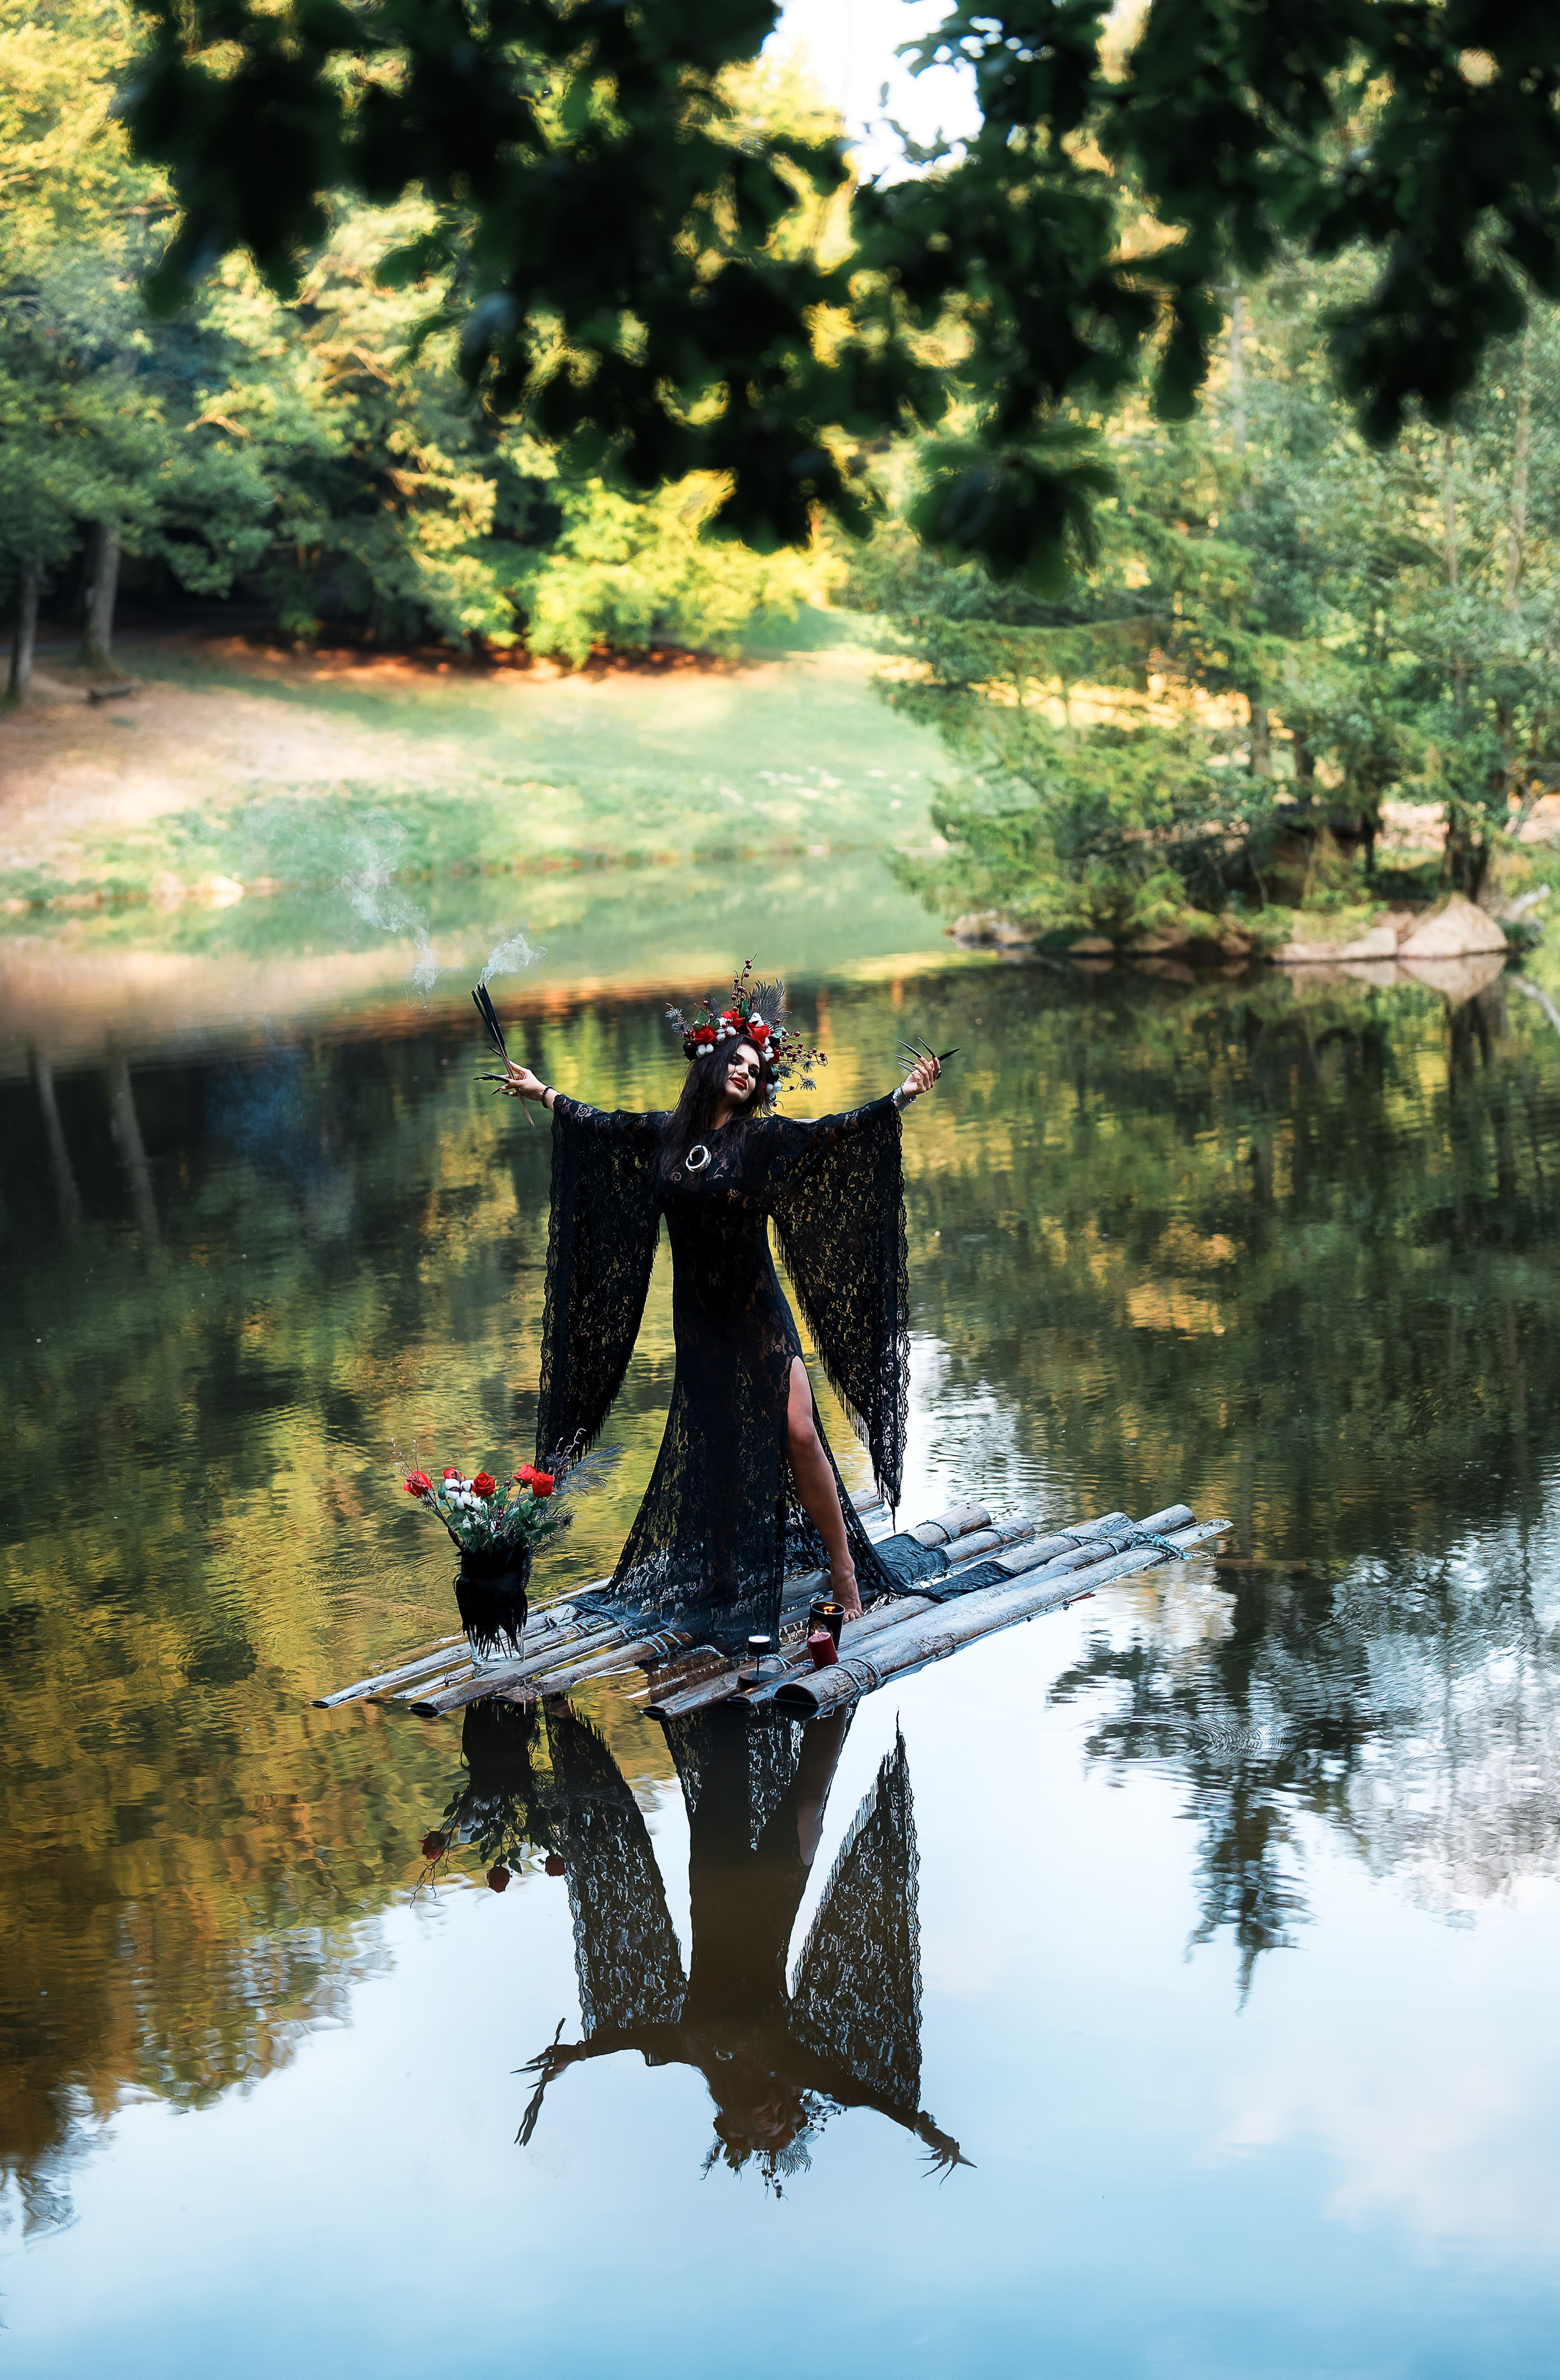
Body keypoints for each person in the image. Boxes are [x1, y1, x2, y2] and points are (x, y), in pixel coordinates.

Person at [500, 966, 940, 1650]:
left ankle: (846, 1568)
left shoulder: (759, 1142)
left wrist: (899, 1098)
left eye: (753, 1066)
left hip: (757, 1311)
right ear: (709, 1065)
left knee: (798, 1431)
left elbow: (833, 1131)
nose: (744, 1070)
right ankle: (725, 1574)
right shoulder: (665, 1136)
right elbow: (603, 1125)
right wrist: (542, 1091)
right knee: (720, 1445)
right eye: (733, 1060)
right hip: (698, 1318)